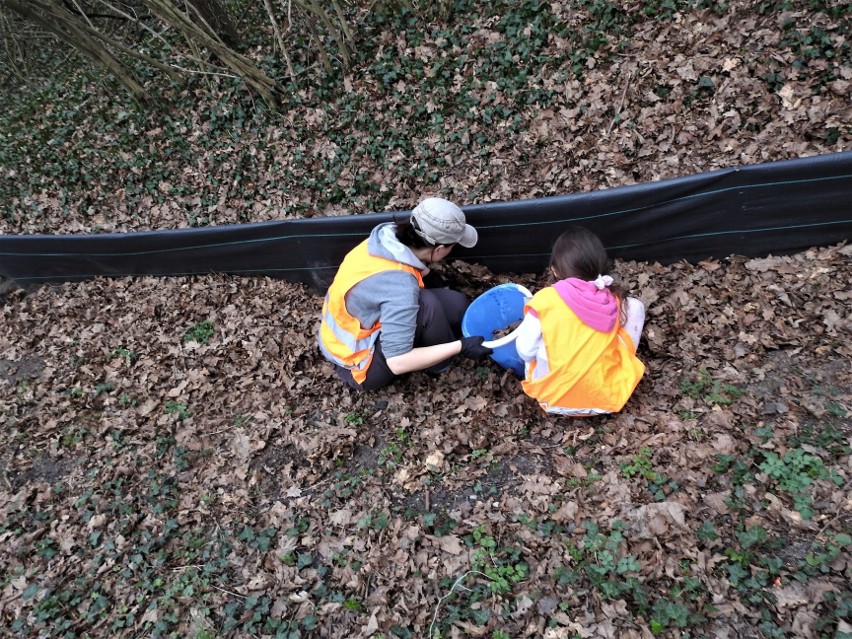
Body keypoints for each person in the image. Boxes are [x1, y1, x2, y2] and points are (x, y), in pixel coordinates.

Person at [318, 197, 493, 390]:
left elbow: (403, 262)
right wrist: (460, 346)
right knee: (428, 306)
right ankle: (440, 366)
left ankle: (436, 345)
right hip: (356, 361)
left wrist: (429, 275)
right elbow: (397, 361)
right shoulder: (401, 287)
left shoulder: (386, 235)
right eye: (452, 246)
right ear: (440, 249)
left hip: (360, 323)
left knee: (456, 304)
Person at [515, 226, 646, 416]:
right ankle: (615, 365)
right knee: (635, 306)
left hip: (552, 400)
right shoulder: (613, 299)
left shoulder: (544, 299)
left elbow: (526, 352)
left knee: (535, 338)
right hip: (607, 400)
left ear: (555, 271)